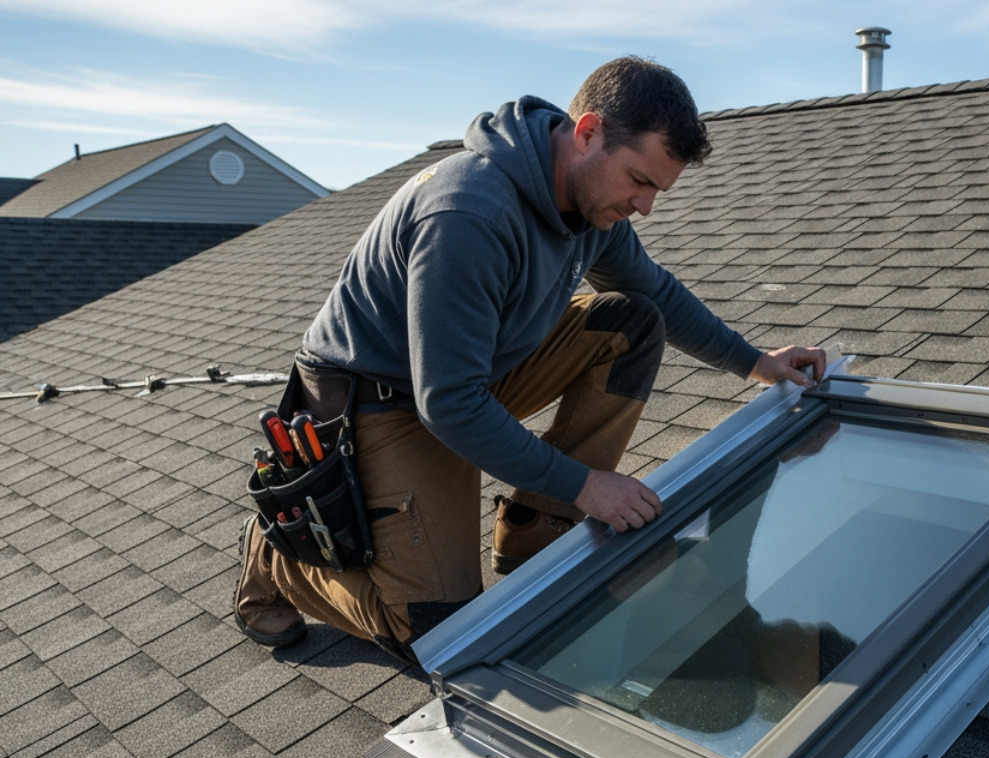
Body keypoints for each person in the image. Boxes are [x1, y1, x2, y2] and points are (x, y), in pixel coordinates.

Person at [233, 57, 825, 664]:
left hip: (466, 372)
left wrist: (756, 362)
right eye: (639, 180)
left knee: (628, 320)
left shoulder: (592, 204)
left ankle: (534, 526)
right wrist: (586, 485)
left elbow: (656, 292)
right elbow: (449, 402)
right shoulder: (469, 212)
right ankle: (278, 560)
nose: (645, 206)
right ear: (588, 132)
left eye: (656, 190)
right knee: (439, 632)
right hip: (377, 400)